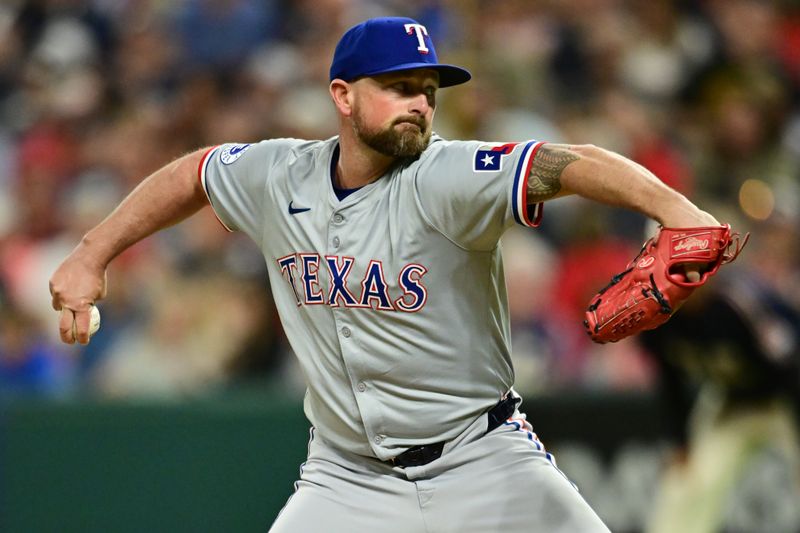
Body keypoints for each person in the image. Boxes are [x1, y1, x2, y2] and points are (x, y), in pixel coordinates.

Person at [50, 17, 720, 532]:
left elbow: (560, 162)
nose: (420, 104)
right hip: (345, 479)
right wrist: (92, 251)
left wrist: (674, 209)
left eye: (428, 92)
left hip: (482, 461)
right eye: (399, 88)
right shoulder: (278, 174)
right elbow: (194, 174)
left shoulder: (448, 176)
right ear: (342, 96)